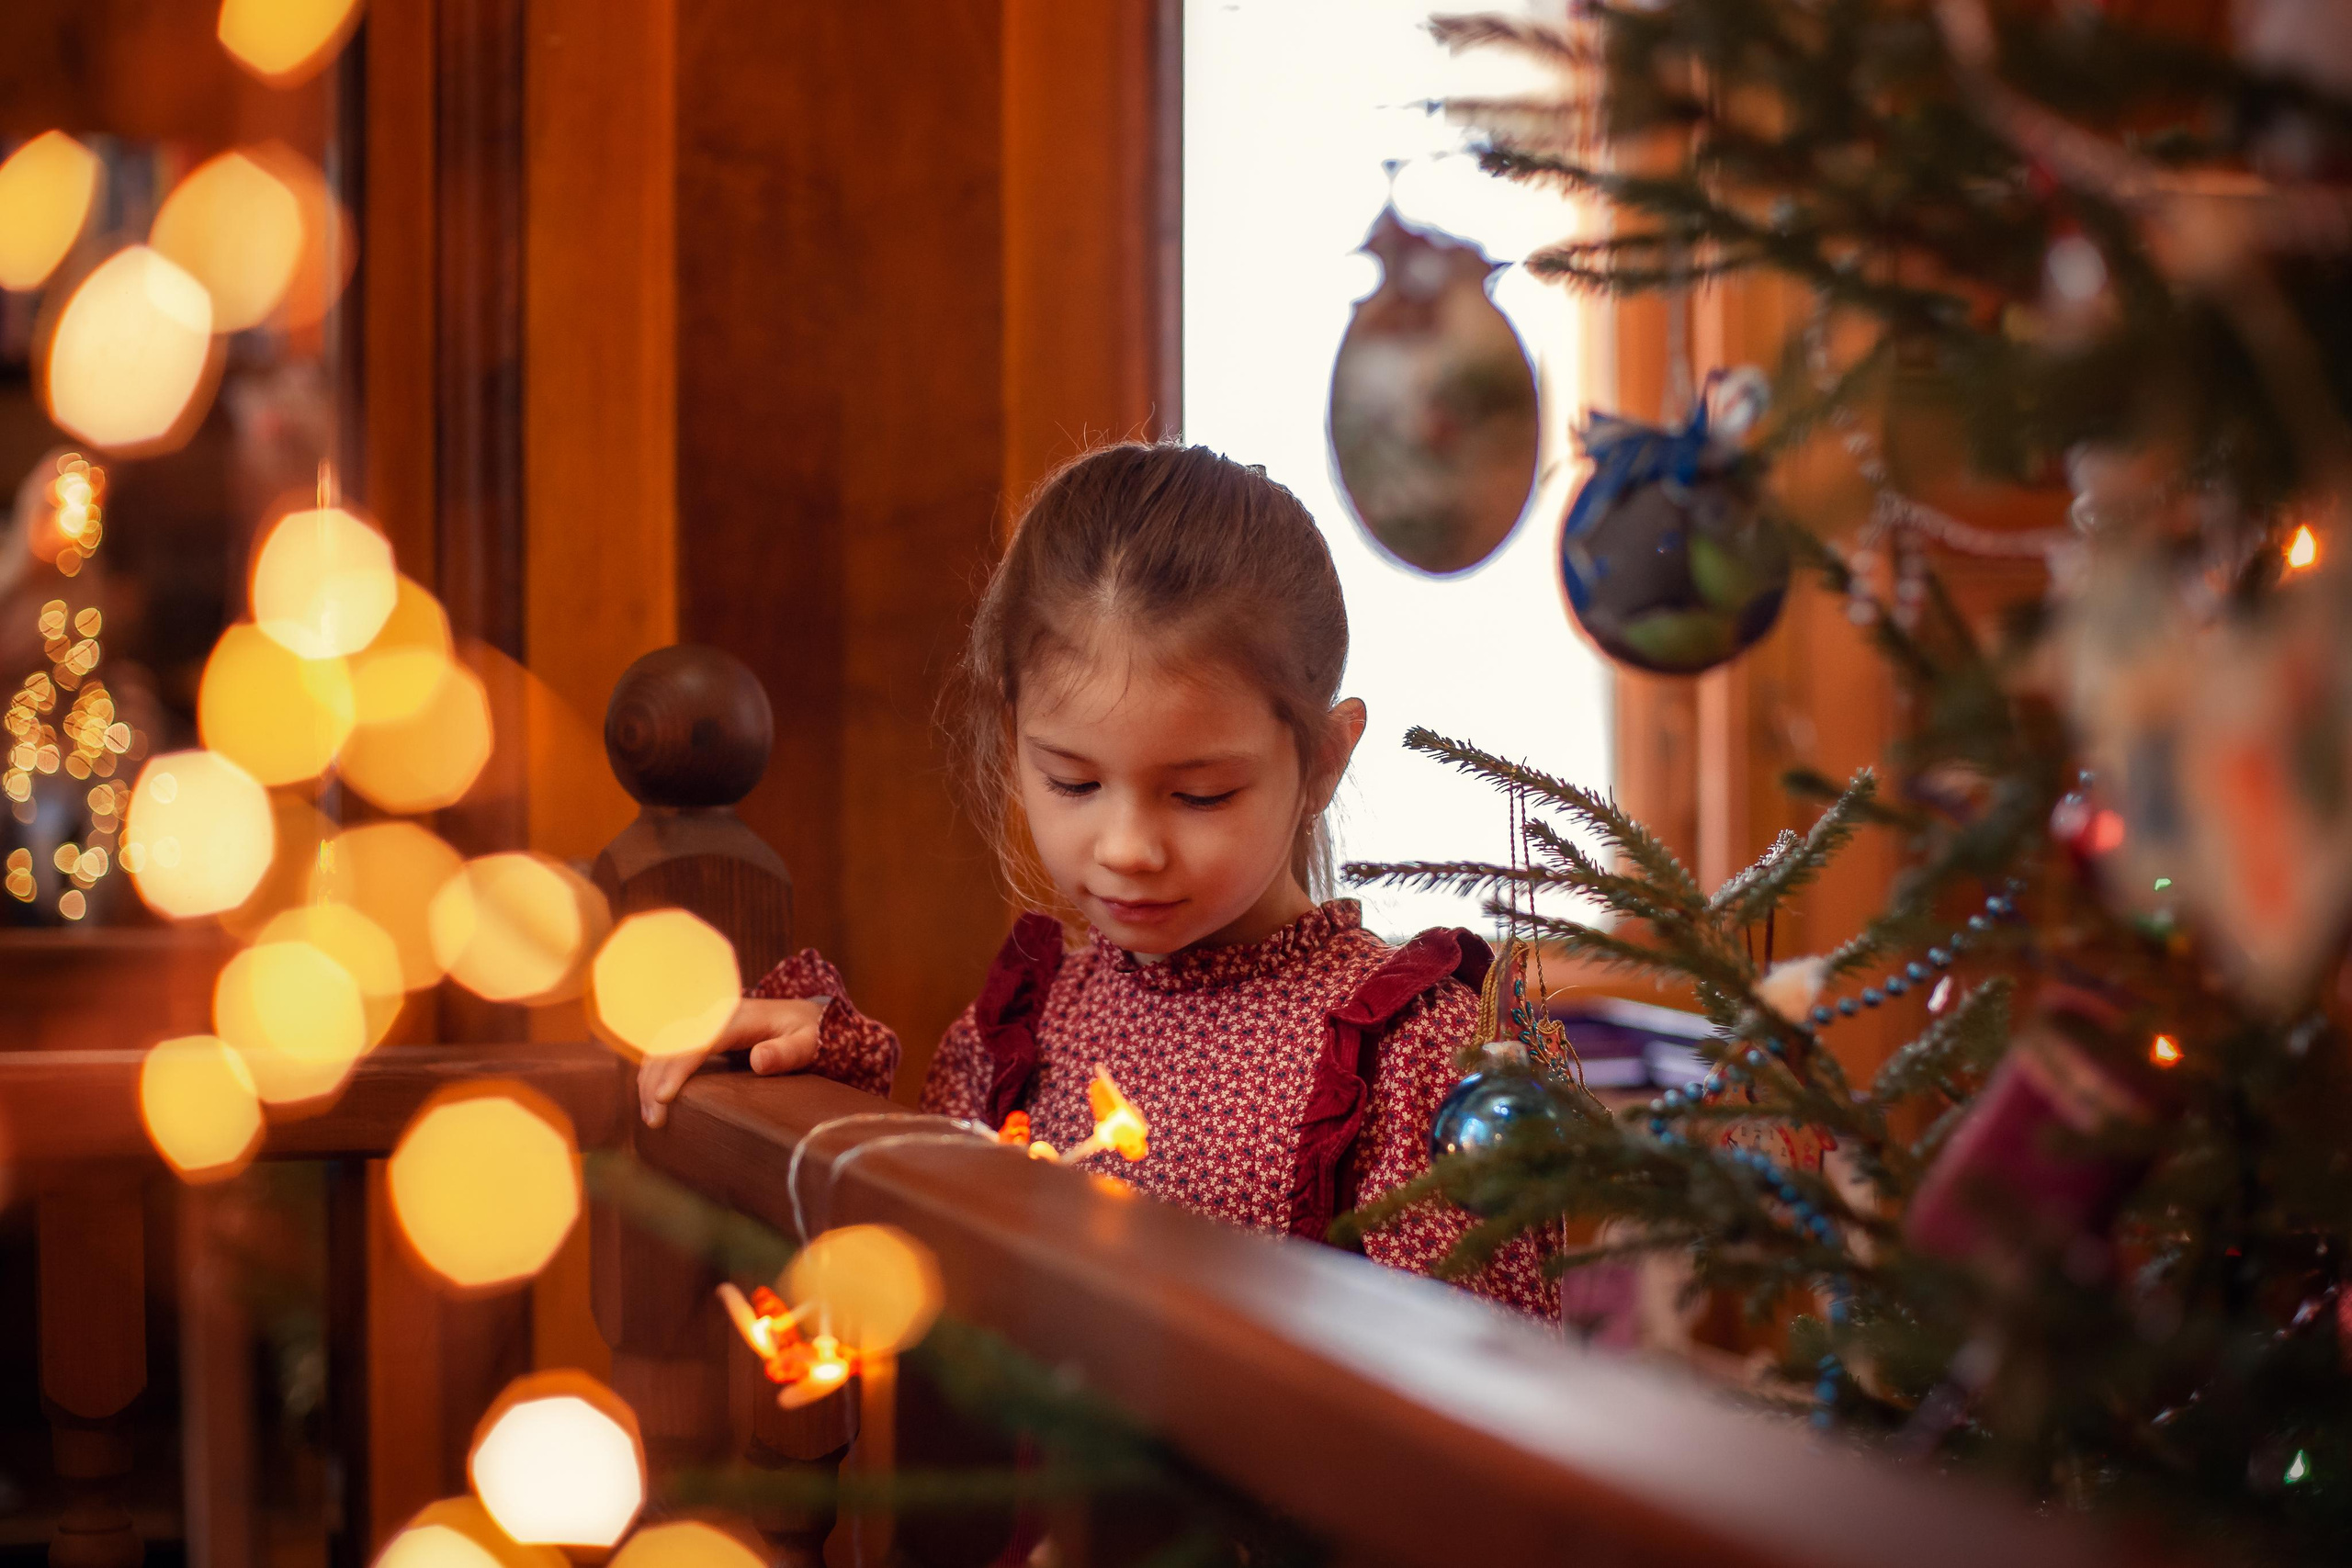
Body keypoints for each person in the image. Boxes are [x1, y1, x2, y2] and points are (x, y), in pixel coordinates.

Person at [638, 442, 1554, 1319]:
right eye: (1072, 783)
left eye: (1199, 794)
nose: (1126, 848)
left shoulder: (1408, 1055)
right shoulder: (1026, 1026)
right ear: (1012, 741)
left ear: (1321, 761)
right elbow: (933, 1275)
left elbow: (1472, 1406)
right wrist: (832, 1082)